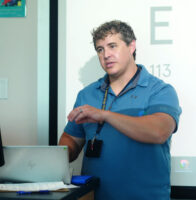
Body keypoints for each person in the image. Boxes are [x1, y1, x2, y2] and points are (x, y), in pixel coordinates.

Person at [59, 20, 181, 199]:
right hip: (95, 196)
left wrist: (105, 115)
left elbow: (158, 132)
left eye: (112, 46)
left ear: (132, 46)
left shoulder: (160, 90)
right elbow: (71, 139)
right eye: (100, 49)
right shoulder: (86, 95)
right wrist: (54, 157)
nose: (106, 55)